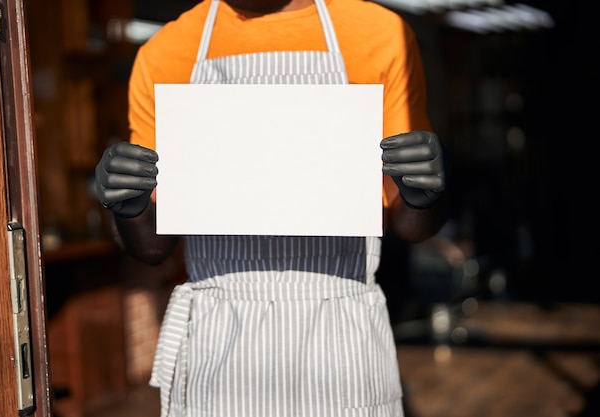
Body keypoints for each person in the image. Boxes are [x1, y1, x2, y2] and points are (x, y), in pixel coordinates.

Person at [94, 0, 449, 414]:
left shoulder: (380, 34)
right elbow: (153, 248)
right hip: (220, 348)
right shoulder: (167, 51)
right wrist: (129, 206)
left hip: (342, 344)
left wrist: (424, 193)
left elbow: (409, 224)